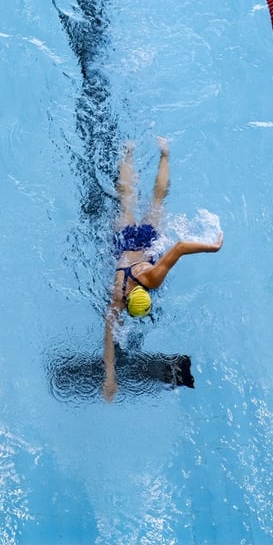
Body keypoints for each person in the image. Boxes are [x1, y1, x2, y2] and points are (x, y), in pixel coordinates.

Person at [102, 137, 223, 401]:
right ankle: (130, 151)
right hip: (123, 243)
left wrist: (212, 246)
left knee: (156, 201)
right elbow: (109, 336)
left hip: (148, 241)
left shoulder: (149, 280)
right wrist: (109, 377)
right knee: (126, 199)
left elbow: (179, 247)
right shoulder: (119, 294)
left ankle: (164, 154)